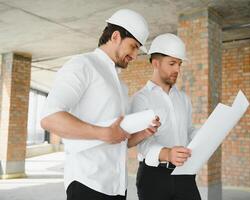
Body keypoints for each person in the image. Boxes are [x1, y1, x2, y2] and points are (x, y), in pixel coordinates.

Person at [40, 9, 160, 200]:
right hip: (87, 183)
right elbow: (49, 118)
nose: (135, 55)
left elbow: (118, 139)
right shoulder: (82, 65)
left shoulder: (120, 85)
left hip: (117, 187)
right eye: (133, 46)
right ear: (115, 36)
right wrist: (102, 133)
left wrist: (144, 132)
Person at [130, 33, 202, 200]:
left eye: (179, 64)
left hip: (184, 173)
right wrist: (168, 154)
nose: (177, 69)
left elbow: (189, 130)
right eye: (172, 63)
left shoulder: (184, 98)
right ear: (156, 63)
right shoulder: (141, 99)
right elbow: (142, 143)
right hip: (153, 177)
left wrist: (207, 136)